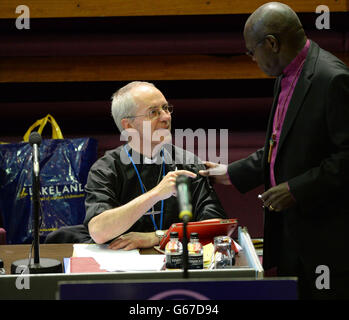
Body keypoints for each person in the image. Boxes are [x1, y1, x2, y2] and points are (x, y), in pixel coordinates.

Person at [200, 2, 349, 299]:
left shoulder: (332, 79)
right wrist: (231, 172)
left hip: (327, 240)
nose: (252, 58)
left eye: (251, 51)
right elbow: (281, 146)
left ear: (272, 43)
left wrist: (296, 188)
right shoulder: (286, 74)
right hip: (292, 232)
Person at [46, 81, 226, 249]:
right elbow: (99, 232)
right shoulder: (107, 168)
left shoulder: (188, 163)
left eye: (165, 108)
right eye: (153, 112)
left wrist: (156, 237)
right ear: (129, 125)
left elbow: (217, 224)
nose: (166, 117)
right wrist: (156, 194)